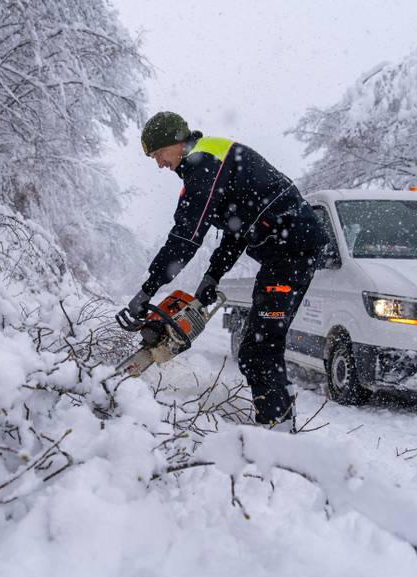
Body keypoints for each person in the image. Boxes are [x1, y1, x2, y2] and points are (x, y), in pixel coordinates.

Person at [126, 111, 328, 429]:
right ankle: (279, 425)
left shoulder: (202, 162)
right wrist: (212, 276)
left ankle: (279, 432)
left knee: (259, 350)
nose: (159, 163)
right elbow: (237, 228)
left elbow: (186, 236)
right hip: (286, 252)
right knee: (258, 348)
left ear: (175, 142)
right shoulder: (212, 160)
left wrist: (148, 289)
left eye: (158, 154)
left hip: (292, 252)